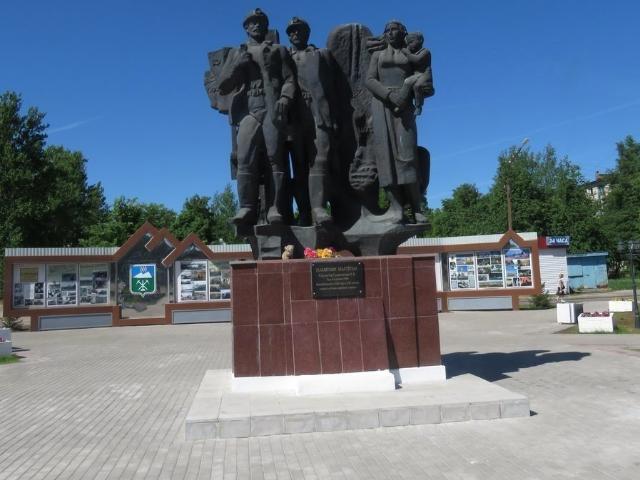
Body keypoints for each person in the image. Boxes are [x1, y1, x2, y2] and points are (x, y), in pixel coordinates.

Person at [217, 8, 296, 226]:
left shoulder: (279, 50)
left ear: (266, 25)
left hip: (272, 109)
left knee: (275, 159)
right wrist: (237, 65)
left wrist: (285, 99)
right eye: (252, 22)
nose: (256, 25)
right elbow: (223, 86)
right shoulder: (237, 52)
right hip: (248, 110)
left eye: (260, 22)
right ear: (246, 28)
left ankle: (275, 208)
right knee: (244, 159)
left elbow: (290, 79)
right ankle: (247, 207)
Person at [365, 20, 433, 223]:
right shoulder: (377, 55)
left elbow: (424, 76)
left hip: (404, 109)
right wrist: (388, 95)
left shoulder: (410, 54)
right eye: (387, 30)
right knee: (385, 156)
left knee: (408, 156)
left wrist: (418, 89)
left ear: (403, 32)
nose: (390, 32)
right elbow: (370, 80)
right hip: (382, 105)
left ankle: (416, 207)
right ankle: (396, 208)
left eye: (394, 29)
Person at [286, 16, 336, 226]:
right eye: (292, 31)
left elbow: (334, 86)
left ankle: (318, 208)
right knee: (298, 166)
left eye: (299, 30)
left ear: (307, 33)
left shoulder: (320, 54)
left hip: (317, 112)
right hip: (293, 114)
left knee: (320, 160)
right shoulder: (282, 56)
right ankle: (305, 213)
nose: (295, 33)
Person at [401, 32, 433, 116]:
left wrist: (406, 53)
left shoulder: (425, 52)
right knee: (407, 81)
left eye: (411, 42)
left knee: (417, 86)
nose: (410, 45)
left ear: (420, 40)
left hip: (424, 75)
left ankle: (418, 106)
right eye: (408, 43)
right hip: (416, 75)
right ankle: (400, 101)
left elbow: (416, 60)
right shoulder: (412, 53)